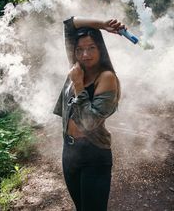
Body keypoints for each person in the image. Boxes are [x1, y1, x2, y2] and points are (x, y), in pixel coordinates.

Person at [53, 16, 125, 211]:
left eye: (91, 47)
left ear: (100, 49)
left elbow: (89, 122)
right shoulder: (77, 65)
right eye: (80, 49)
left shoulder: (106, 77)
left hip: (94, 155)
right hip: (69, 152)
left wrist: (77, 84)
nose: (85, 54)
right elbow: (69, 24)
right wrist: (103, 25)